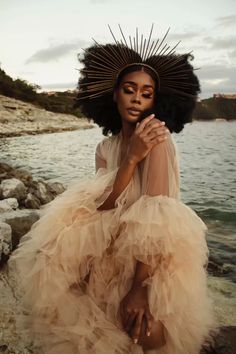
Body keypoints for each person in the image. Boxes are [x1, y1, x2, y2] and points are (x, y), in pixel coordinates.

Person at [9, 26, 217, 354]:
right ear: (115, 94)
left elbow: (158, 218)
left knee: (144, 335)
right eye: (129, 89)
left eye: (146, 93)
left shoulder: (157, 139)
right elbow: (105, 206)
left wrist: (139, 287)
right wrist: (131, 158)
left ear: (156, 100)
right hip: (109, 250)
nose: (137, 98)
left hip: (147, 262)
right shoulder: (106, 147)